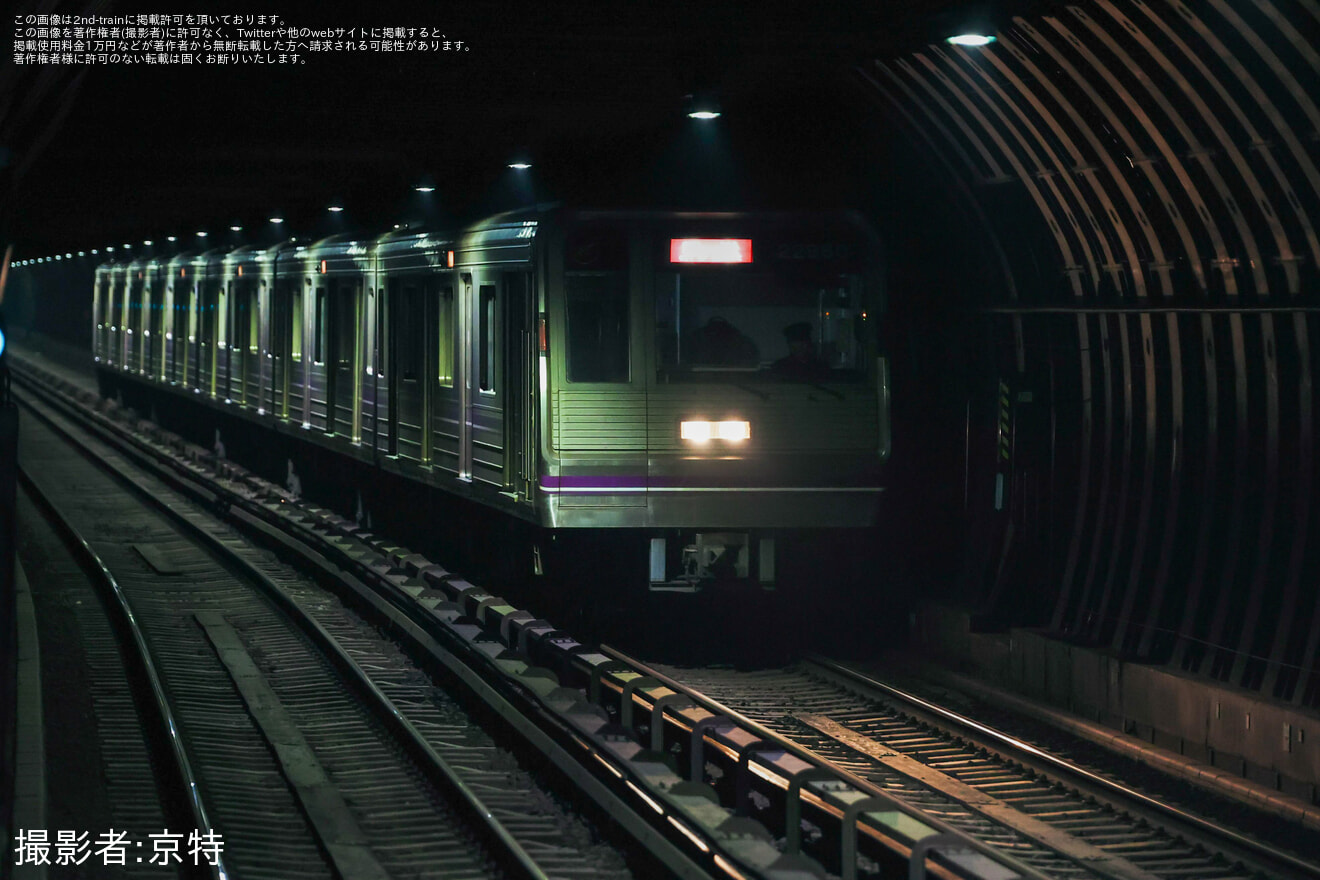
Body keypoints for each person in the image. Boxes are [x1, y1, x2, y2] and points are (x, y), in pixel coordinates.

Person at [688, 316, 759, 366]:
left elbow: (750, 363)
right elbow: (688, 362)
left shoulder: (740, 342)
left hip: (736, 374)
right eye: (714, 333)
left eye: (722, 333)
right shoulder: (698, 339)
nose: (718, 336)